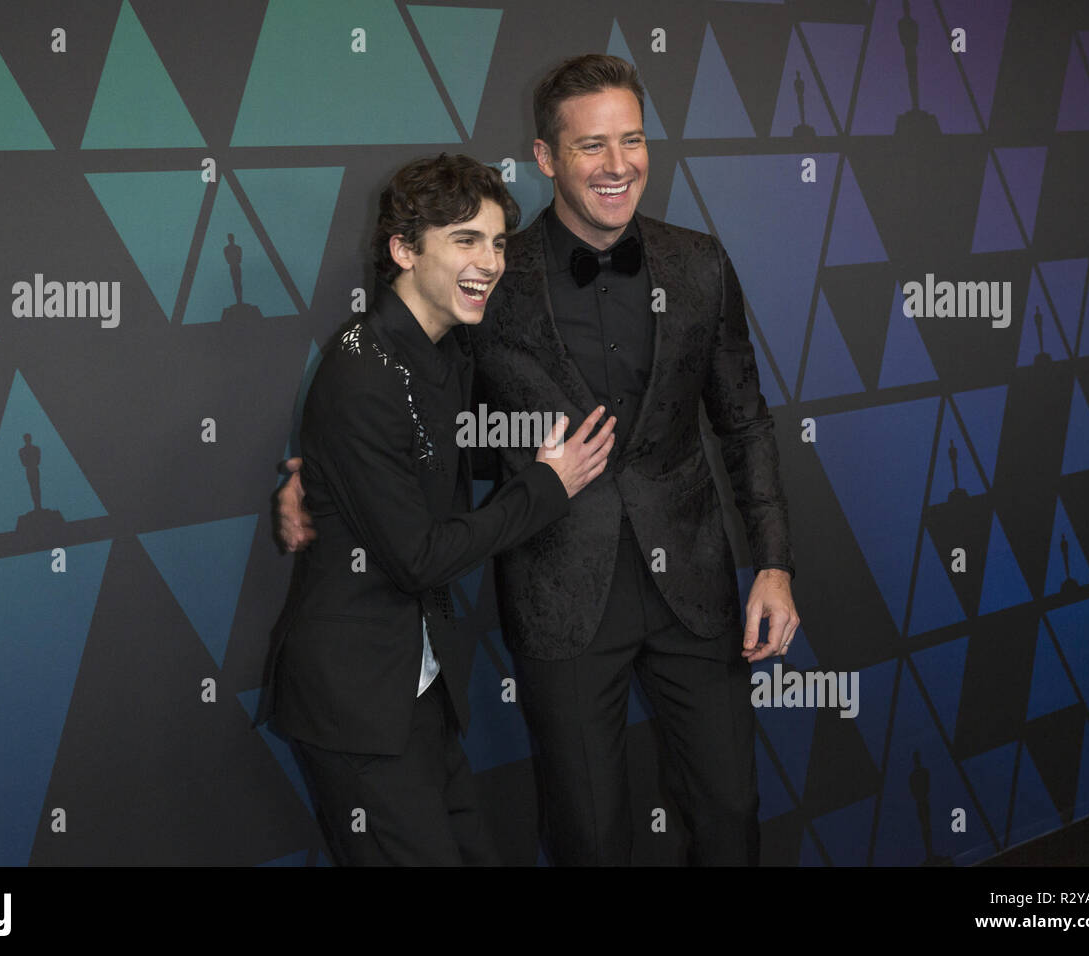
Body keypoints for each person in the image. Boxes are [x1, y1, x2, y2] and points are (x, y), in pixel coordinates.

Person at [278, 55, 800, 866]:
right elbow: (428, 415)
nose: (617, 164)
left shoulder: (698, 263)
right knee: (588, 835)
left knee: (731, 815)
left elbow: (746, 421)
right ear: (548, 157)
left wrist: (772, 563)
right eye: (592, 145)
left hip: (695, 587)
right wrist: (318, 475)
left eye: (632, 140)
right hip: (559, 596)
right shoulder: (486, 276)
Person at [257, 153, 615, 866]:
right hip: (358, 706)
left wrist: (315, 476)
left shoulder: (443, 349)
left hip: (417, 690)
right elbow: (419, 558)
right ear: (403, 249)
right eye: (465, 240)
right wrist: (549, 484)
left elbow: (447, 459)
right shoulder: (361, 372)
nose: (490, 261)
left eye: (497, 241)